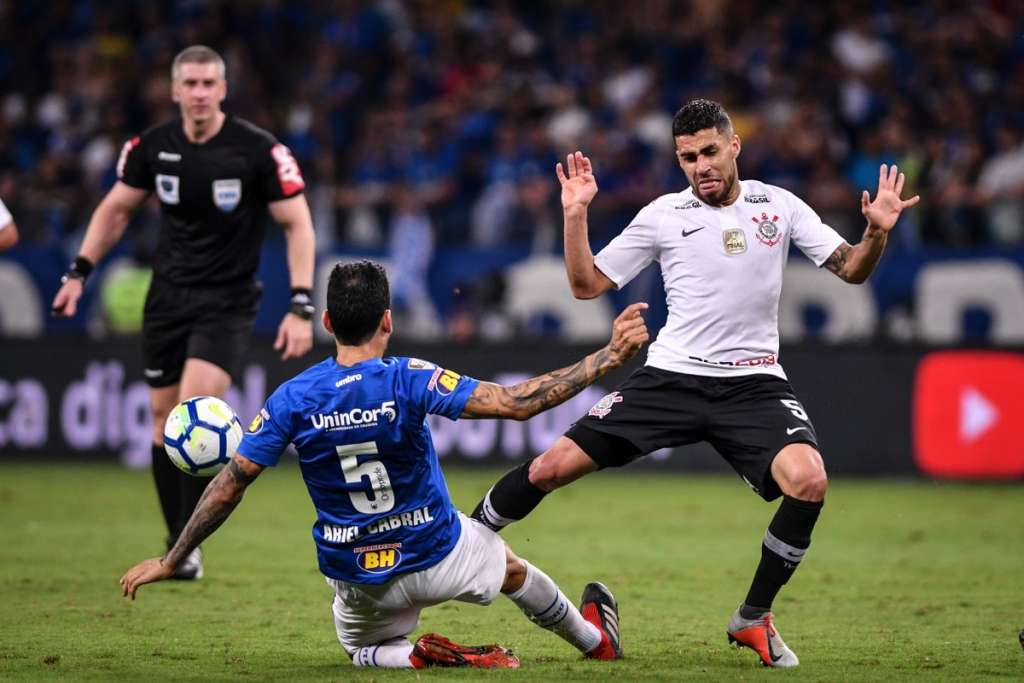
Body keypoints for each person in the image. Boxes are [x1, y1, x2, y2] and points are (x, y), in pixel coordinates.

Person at [471, 99, 920, 668]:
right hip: (671, 377)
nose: (701, 165)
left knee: (808, 480)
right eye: (688, 157)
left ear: (734, 146)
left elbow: (852, 268)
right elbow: (586, 284)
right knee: (548, 468)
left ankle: (753, 617)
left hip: (754, 384)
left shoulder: (778, 205)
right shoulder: (663, 214)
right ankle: (465, 538)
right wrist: (576, 212)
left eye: (709, 151)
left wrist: (876, 233)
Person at [120, 260, 649, 669]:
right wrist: (606, 357)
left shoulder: (291, 398)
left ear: (327, 322)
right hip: (437, 554)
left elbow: (229, 486)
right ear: (388, 321)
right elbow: (516, 403)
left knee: (361, 651)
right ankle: (594, 642)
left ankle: (410, 655)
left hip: (356, 575)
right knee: (508, 566)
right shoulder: (408, 378)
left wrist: (173, 558)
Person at [52, 45, 316, 580]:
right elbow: (116, 210)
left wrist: (301, 304)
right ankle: (180, 546)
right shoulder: (151, 147)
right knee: (160, 420)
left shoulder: (258, 151)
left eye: (207, 84)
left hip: (227, 299)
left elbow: (298, 224)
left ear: (223, 90)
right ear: (174, 91)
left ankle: (183, 549)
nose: (198, 93)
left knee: (195, 408)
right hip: (167, 297)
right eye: (189, 84)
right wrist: (79, 272)